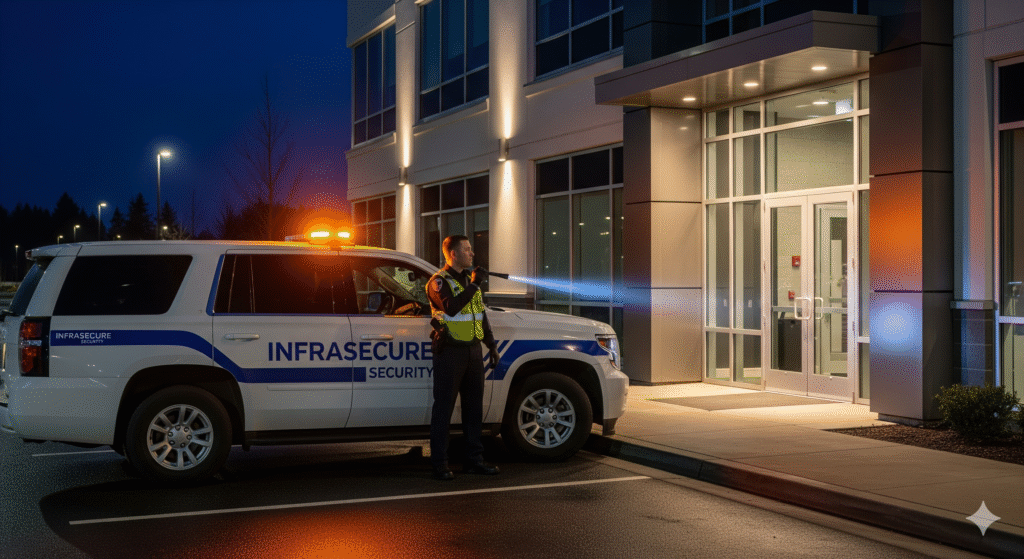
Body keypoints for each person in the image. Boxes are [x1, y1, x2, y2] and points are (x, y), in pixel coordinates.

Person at [425, 235, 502, 480]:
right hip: (449, 352)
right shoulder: (439, 281)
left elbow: (480, 317)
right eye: (467, 250)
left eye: (471, 250)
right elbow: (451, 307)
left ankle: (473, 461)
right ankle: (439, 464)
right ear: (454, 254)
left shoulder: (470, 284)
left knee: (473, 411)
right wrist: (474, 285)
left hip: (472, 352)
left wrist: (491, 346)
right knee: (444, 410)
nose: (472, 254)